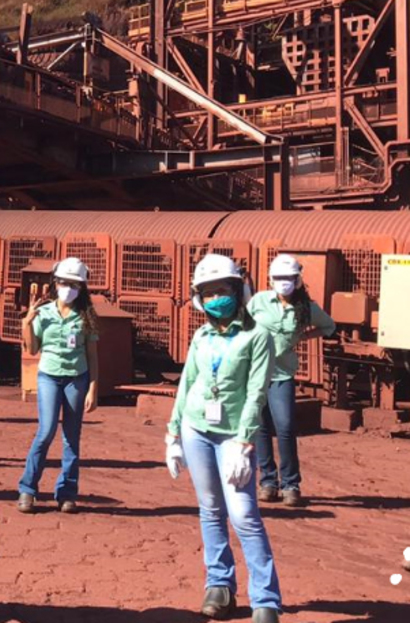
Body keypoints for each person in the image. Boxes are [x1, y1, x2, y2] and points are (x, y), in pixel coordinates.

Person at [165, 253, 281, 623]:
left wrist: (244, 442)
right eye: (208, 292)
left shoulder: (257, 336)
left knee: (244, 514)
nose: (217, 297)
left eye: (223, 289)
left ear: (238, 289)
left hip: (233, 435)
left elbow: (256, 393)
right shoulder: (201, 335)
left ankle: (266, 599)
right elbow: (188, 383)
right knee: (210, 509)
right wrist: (173, 432)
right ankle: (219, 586)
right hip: (196, 428)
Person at [247, 254, 334, 508]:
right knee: (260, 427)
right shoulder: (259, 301)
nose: (284, 282)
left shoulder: (307, 308)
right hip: (254, 375)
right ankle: (268, 482)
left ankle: (291, 484)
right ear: (271, 279)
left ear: (298, 280)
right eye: (279, 278)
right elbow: (242, 327)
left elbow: (329, 326)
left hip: (282, 375)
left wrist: (302, 337)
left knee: (284, 427)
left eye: (289, 278)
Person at [16, 258, 99, 515]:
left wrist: (93, 388)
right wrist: (27, 322)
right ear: (56, 283)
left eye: (75, 284)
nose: (68, 288)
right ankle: (28, 489)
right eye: (65, 282)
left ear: (82, 287)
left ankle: (67, 493)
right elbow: (32, 348)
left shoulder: (85, 316)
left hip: (77, 378)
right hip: (49, 377)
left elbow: (92, 354)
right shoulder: (44, 313)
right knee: (46, 430)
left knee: (71, 437)